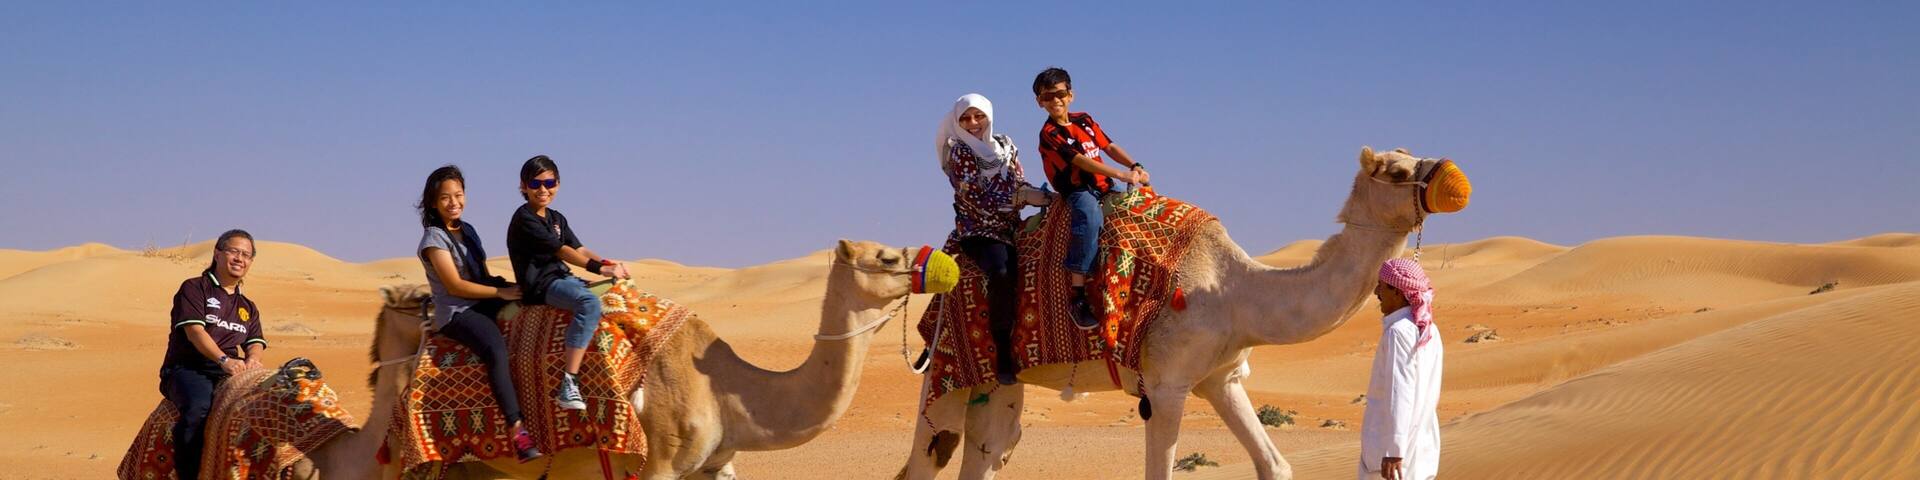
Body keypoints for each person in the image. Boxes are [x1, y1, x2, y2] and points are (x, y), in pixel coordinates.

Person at [415, 165, 543, 461]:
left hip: (483, 296)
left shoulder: (467, 230)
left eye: (458, 195)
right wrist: (500, 293)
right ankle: (518, 432)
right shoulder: (433, 240)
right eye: (445, 197)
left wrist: (514, 287)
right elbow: (456, 285)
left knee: (537, 301)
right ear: (433, 202)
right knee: (495, 348)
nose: (454, 202)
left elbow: (481, 275)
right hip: (458, 311)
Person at [937, 93, 1051, 385]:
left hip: (1012, 225)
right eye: (965, 118)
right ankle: (1003, 349)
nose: (973, 123)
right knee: (1002, 272)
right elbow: (973, 195)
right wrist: (1022, 197)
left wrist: (1045, 197)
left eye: (978, 116)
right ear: (957, 122)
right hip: (979, 229)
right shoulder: (959, 152)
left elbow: (1018, 180)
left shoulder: (1005, 145)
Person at [505, 155, 632, 411]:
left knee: (617, 294)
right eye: (535, 183)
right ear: (523, 186)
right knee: (588, 303)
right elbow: (562, 251)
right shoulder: (524, 219)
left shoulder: (556, 218)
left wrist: (611, 264)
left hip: (564, 278)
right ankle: (569, 382)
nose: (543, 189)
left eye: (549, 182)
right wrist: (600, 268)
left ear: (558, 184)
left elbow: (580, 248)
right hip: (541, 285)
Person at [1032, 67, 1151, 329]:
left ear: (1070, 95)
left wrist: (1135, 165)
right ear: (1039, 101)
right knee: (1090, 218)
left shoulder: (1084, 120)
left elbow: (1108, 146)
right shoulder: (1049, 134)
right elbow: (1081, 161)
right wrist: (1121, 174)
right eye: (1048, 96)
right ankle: (1078, 294)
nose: (1056, 101)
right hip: (1078, 189)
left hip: (1105, 185)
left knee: (1143, 209)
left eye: (1060, 94)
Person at [157, 229, 267, 480]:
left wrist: (253, 359)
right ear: (218, 254)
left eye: (247, 255)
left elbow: (255, 342)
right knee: (198, 409)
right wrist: (224, 360)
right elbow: (195, 332)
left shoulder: (247, 306)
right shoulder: (195, 288)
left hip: (228, 371)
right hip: (187, 368)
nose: (240, 258)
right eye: (234, 251)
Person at [1359, 258, 1444, 480]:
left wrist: (1394, 450)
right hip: (1420, 447)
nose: (1377, 292)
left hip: (1390, 458)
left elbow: (1401, 390)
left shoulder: (1399, 331)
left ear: (1397, 292)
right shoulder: (1429, 330)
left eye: (1381, 285)